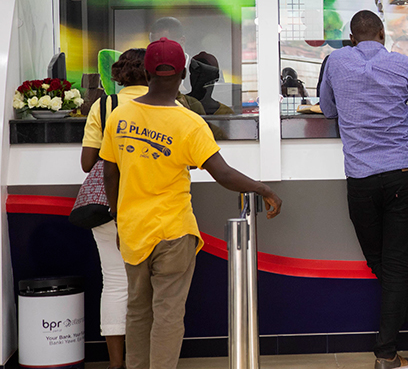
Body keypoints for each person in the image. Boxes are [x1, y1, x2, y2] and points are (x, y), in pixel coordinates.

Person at [100, 38, 283, 369]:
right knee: (168, 314)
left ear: (147, 71)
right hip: (173, 231)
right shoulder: (189, 123)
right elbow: (223, 174)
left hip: (132, 230)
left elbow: (109, 175)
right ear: (183, 74)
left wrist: (118, 218)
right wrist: (263, 189)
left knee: (137, 311)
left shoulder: (119, 117)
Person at [319, 11, 408, 369]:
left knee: (381, 262)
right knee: (392, 265)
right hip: (404, 175)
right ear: (381, 34)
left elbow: (329, 111)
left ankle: (390, 351)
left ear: (354, 37)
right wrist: (407, 104)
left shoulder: (335, 62)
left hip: (360, 179)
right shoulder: (404, 65)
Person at [80, 48, 148, 369]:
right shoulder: (166, 104)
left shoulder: (104, 105)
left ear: (119, 73)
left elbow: (87, 163)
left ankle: (116, 363)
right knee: (152, 286)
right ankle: (146, 359)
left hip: (110, 205)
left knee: (116, 283)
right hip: (153, 205)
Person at [149, 17, 205, 115]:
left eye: (165, 44)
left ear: (182, 41)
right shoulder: (144, 71)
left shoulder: (208, 74)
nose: (158, 50)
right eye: (154, 44)